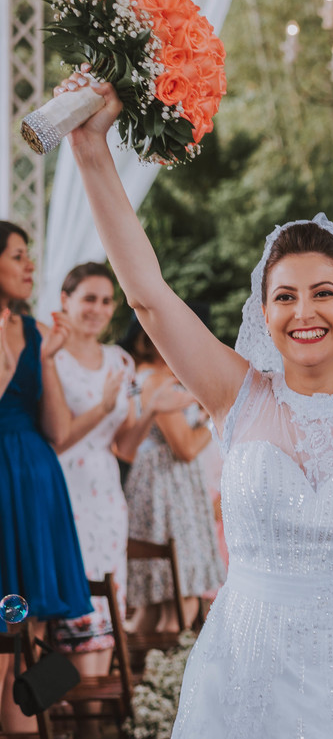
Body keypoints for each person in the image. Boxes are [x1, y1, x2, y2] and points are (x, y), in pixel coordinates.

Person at [62, 71, 333, 739]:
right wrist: (91, 151)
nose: (304, 311)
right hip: (246, 666)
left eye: (324, 293)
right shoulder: (237, 392)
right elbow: (148, 296)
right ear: (264, 313)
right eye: (285, 296)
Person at [49, 262, 192, 686]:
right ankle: (62, 704)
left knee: (105, 611)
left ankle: (96, 700)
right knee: (70, 610)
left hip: (107, 497)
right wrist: (102, 406)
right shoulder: (50, 358)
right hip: (62, 489)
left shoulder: (120, 361)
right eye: (89, 298)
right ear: (65, 300)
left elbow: (124, 448)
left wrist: (151, 411)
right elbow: (57, 439)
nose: (98, 308)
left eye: (106, 300)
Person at [0, 221, 92, 732]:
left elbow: (57, 430)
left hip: (34, 485)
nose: (30, 265)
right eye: (17, 255)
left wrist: (49, 360)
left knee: (24, 642)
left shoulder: (35, 330)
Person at [120, 315, 225, 633]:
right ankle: (170, 664)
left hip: (163, 486)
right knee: (182, 598)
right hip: (169, 491)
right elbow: (185, 448)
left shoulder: (151, 377)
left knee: (155, 606)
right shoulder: (156, 381)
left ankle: (148, 665)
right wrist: (217, 416)